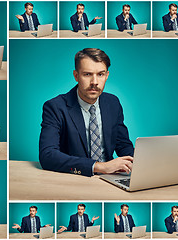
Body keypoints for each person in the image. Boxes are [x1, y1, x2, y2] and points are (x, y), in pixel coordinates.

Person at [39, 48, 134, 177]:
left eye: (100, 74)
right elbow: (48, 156)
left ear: (107, 76)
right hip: (74, 179)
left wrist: (139, 164)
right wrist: (100, 166)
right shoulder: (55, 107)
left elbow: (123, 145)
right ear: (76, 76)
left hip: (110, 178)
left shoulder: (113, 103)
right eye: (87, 74)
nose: (94, 82)